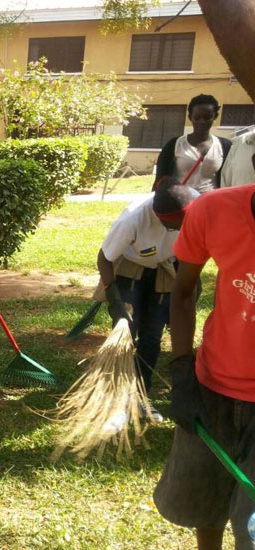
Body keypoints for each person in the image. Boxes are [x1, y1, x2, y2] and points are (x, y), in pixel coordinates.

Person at [153, 183, 255, 550]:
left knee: (250, 529)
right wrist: (182, 372)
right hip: (212, 387)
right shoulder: (211, 211)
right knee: (202, 505)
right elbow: (182, 292)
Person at [96, 176, 198, 432]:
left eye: (180, 225)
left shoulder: (196, 206)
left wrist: (192, 287)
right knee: (126, 335)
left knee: (152, 337)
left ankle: (141, 397)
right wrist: (115, 300)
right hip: (131, 269)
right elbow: (104, 258)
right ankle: (118, 403)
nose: (175, 229)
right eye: (170, 225)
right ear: (157, 215)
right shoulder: (134, 217)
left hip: (165, 268)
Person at [155, 94, 231, 193]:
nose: (202, 122)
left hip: (210, 203)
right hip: (182, 203)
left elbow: (230, 179)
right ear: (190, 117)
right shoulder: (175, 145)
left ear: (215, 117)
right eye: (197, 118)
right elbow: (160, 179)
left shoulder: (225, 146)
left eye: (207, 117)